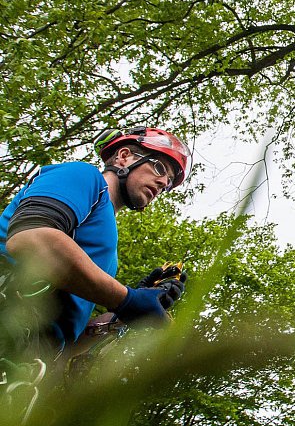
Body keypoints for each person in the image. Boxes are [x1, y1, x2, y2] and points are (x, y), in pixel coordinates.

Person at [0, 126, 191, 356]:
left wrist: (125, 314)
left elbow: (70, 343)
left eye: (168, 182)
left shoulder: (109, 256)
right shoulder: (83, 176)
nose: (162, 183)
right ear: (124, 156)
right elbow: (31, 238)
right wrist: (126, 298)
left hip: (27, 361)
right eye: (159, 167)